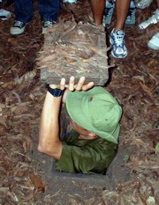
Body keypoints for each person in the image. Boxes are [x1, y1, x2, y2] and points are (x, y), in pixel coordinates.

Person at [38, 76, 122, 174]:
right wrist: (58, 84)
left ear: (92, 134)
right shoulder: (101, 110)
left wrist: (54, 92)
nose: (71, 115)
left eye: (77, 117)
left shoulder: (96, 159)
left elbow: (47, 147)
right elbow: (66, 95)